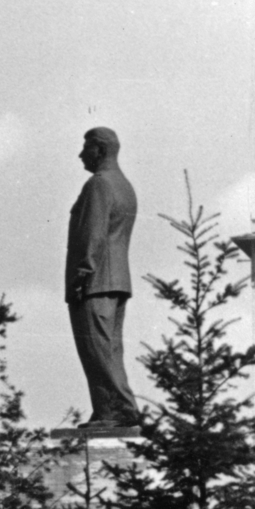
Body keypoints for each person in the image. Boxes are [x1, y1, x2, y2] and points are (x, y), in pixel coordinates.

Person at [65, 126, 140, 428]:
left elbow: (92, 234)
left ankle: (117, 410)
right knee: (108, 348)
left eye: (86, 148)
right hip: (115, 278)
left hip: (96, 280)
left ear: (100, 149)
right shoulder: (124, 185)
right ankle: (106, 409)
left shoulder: (99, 185)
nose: (81, 154)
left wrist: (83, 273)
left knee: (97, 348)